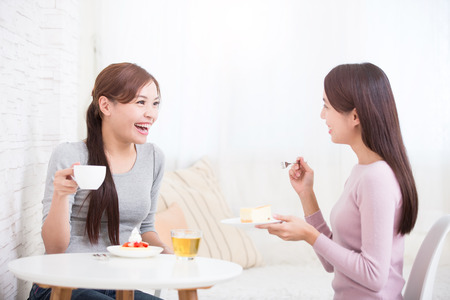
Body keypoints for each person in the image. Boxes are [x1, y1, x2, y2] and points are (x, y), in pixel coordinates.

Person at [257, 63, 418, 299]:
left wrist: (309, 235)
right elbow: (332, 261)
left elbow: (374, 276)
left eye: (326, 106)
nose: (322, 115)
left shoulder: (376, 179)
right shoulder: (363, 172)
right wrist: (306, 194)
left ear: (355, 116)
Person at [29, 63, 171, 300]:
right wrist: (60, 195)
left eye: (155, 103)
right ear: (106, 105)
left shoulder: (154, 158)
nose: (151, 114)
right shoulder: (70, 155)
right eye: (140, 102)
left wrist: (174, 258)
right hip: (62, 285)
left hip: (119, 286)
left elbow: (146, 229)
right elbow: (54, 249)